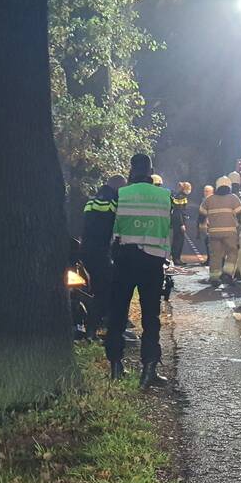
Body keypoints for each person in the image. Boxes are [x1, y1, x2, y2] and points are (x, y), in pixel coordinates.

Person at [105, 153, 172, 387]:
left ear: (132, 170)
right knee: (150, 317)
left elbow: (113, 227)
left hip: (125, 259)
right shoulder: (165, 196)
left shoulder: (121, 194)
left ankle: (115, 365)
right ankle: (149, 369)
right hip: (152, 262)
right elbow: (168, 227)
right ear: (151, 171)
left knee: (118, 313)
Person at [80, 174, 127, 339]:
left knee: (91, 289)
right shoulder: (114, 202)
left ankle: (92, 324)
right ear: (118, 187)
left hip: (86, 249)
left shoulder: (92, 200)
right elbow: (116, 227)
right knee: (104, 289)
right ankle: (94, 327)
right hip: (102, 251)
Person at [198, 176, 241, 287]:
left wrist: (203, 228)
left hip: (213, 233)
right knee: (232, 252)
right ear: (229, 186)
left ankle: (214, 278)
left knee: (215, 255)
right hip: (230, 233)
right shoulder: (234, 198)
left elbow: (201, 216)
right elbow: (240, 216)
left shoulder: (209, 199)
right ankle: (227, 274)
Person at [170, 181, 192, 264]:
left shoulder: (181, 196)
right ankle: (176, 258)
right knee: (178, 240)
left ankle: (177, 258)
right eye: (189, 189)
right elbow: (178, 211)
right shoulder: (180, 197)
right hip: (178, 222)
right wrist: (181, 224)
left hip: (178, 221)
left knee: (179, 240)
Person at [201, 184, 214, 266]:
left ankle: (210, 260)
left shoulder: (213, 200)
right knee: (207, 242)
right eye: (204, 191)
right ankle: (209, 259)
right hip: (208, 225)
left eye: (207, 191)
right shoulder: (205, 200)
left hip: (213, 225)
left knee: (210, 243)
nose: (205, 193)